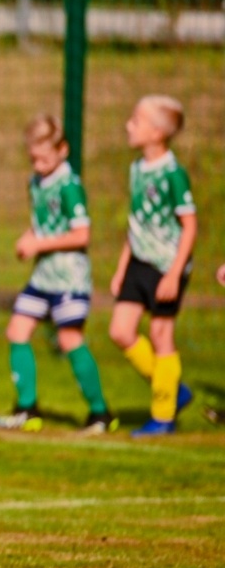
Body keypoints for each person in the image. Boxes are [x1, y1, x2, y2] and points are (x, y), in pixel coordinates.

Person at [0, 115, 114, 433]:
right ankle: (27, 409)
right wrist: (28, 237)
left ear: (63, 150)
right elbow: (42, 222)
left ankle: (100, 414)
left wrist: (39, 243)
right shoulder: (35, 182)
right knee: (17, 331)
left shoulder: (70, 186)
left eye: (44, 157)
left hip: (69, 278)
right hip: (43, 276)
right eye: (33, 158)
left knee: (70, 339)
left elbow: (81, 235)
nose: (38, 164)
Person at [108, 95, 197, 438]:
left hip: (166, 265)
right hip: (138, 261)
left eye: (136, 120)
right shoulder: (136, 169)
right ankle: (172, 388)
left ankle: (163, 415)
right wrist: (120, 268)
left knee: (161, 335)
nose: (129, 126)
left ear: (158, 133)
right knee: (120, 331)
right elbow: (136, 224)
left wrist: (174, 273)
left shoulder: (173, 174)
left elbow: (189, 225)